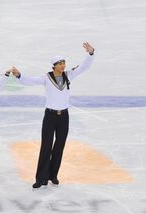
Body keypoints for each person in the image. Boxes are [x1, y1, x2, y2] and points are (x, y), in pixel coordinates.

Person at [11, 42, 95, 189]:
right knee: (46, 146)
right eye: (59, 64)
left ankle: (53, 175)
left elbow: (84, 67)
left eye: (64, 63)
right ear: (54, 65)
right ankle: (41, 178)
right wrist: (19, 75)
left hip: (64, 116)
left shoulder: (69, 75)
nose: (63, 66)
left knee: (59, 145)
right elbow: (30, 81)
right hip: (50, 117)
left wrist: (90, 54)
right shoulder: (46, 78)